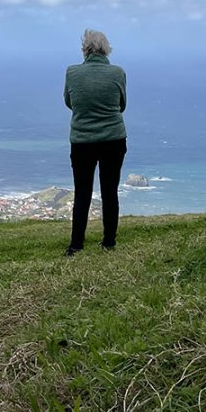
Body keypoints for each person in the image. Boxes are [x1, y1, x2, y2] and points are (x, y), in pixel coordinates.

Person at [63, 29, 127, 255]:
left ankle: (76, 245)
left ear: (85, 49)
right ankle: (109, 242)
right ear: (106, 49)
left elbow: (69, 102)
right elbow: (121, 104)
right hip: (113, 139)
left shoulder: (72, 72)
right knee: (110, 191)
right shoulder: (118, 73)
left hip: (82, 140)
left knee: (82, 192)